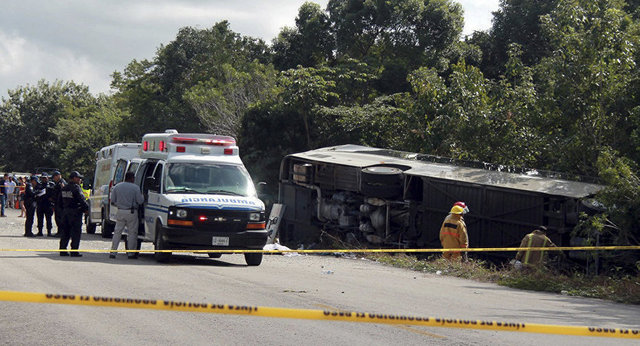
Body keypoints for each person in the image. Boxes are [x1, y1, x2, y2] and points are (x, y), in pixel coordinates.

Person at [109, 172, 144, 259]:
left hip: (120, 211)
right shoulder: (135, 188)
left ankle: (113, 252)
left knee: (117, 232)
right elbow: (140, 201)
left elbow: (112, 200)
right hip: (132, 212)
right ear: (132, 178)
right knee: (132, 233)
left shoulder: (117, 187)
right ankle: (131, 253)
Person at [59, 171, 89, 257]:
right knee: (76, 232)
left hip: (66, 212)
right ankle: (74, 251)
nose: (80, 179)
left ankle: (63, 250)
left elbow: (59, 202)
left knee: (65, 232)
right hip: (75, 213)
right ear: (74, 178)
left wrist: (62, 211)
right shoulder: (76, 188)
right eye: (78, 178)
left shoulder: (64, 188)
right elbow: (82, 200)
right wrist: (86, 209)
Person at [50, 171, 66, 237]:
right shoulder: (58, 183)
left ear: (58, 176)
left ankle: (61, 232)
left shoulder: (61, 183)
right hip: (58, 203)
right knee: (57, 218)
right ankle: (59, 231)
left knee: (60, 218)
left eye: (54, 177)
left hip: (61, 204)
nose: (54, 179)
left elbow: (62, 192)